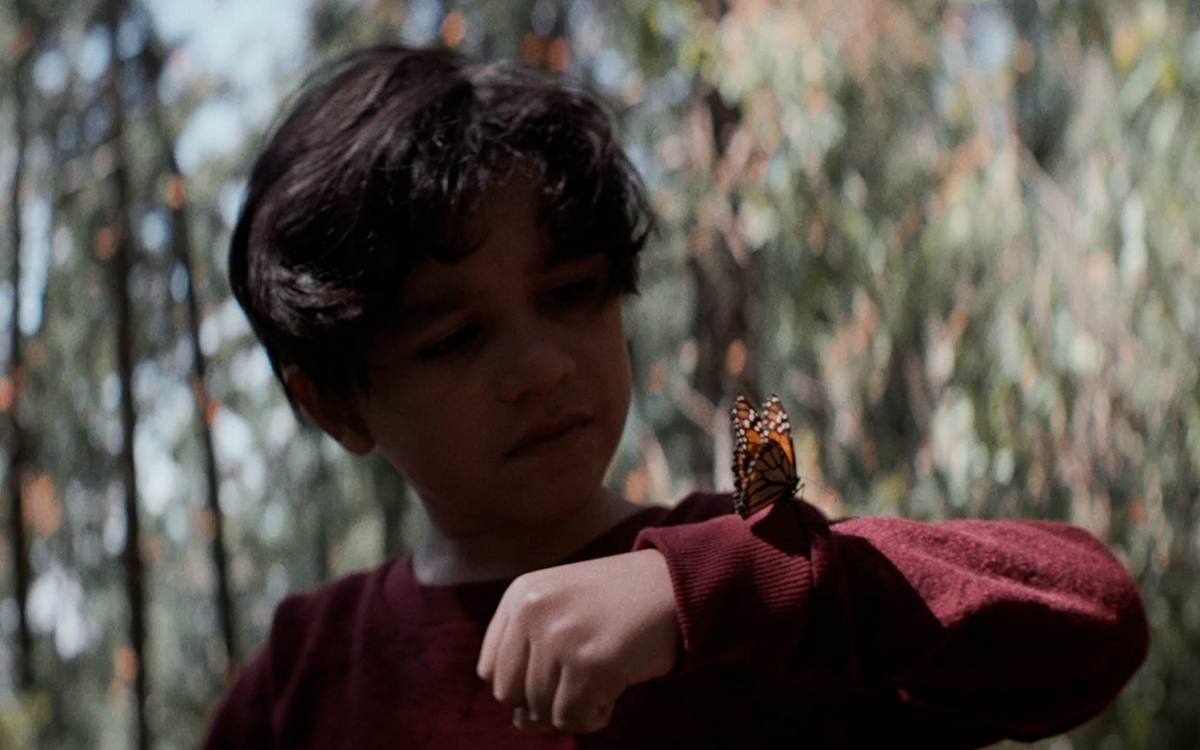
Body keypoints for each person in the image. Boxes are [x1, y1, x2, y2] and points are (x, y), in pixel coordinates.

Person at [202, 44, 1148, 749]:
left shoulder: (750, 589)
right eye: (452, 338)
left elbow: (1098, 620)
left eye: (571, 292)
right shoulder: (300, 676)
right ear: (335, 406)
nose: (540, 367)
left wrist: (716, 585)